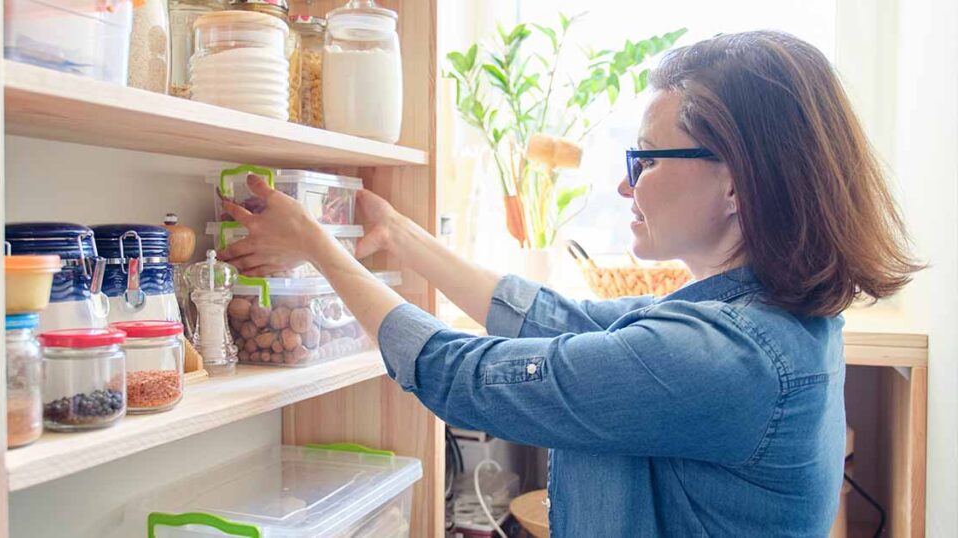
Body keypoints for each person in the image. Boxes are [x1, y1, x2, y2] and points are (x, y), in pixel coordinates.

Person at [218, 30, 921, 537]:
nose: (623, 183)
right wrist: (402, 238)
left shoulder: (722, 358)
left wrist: (316, 246)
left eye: (644, 160)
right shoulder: (751, 319)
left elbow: (462, 374)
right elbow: (561, 321)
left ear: (737, 180)